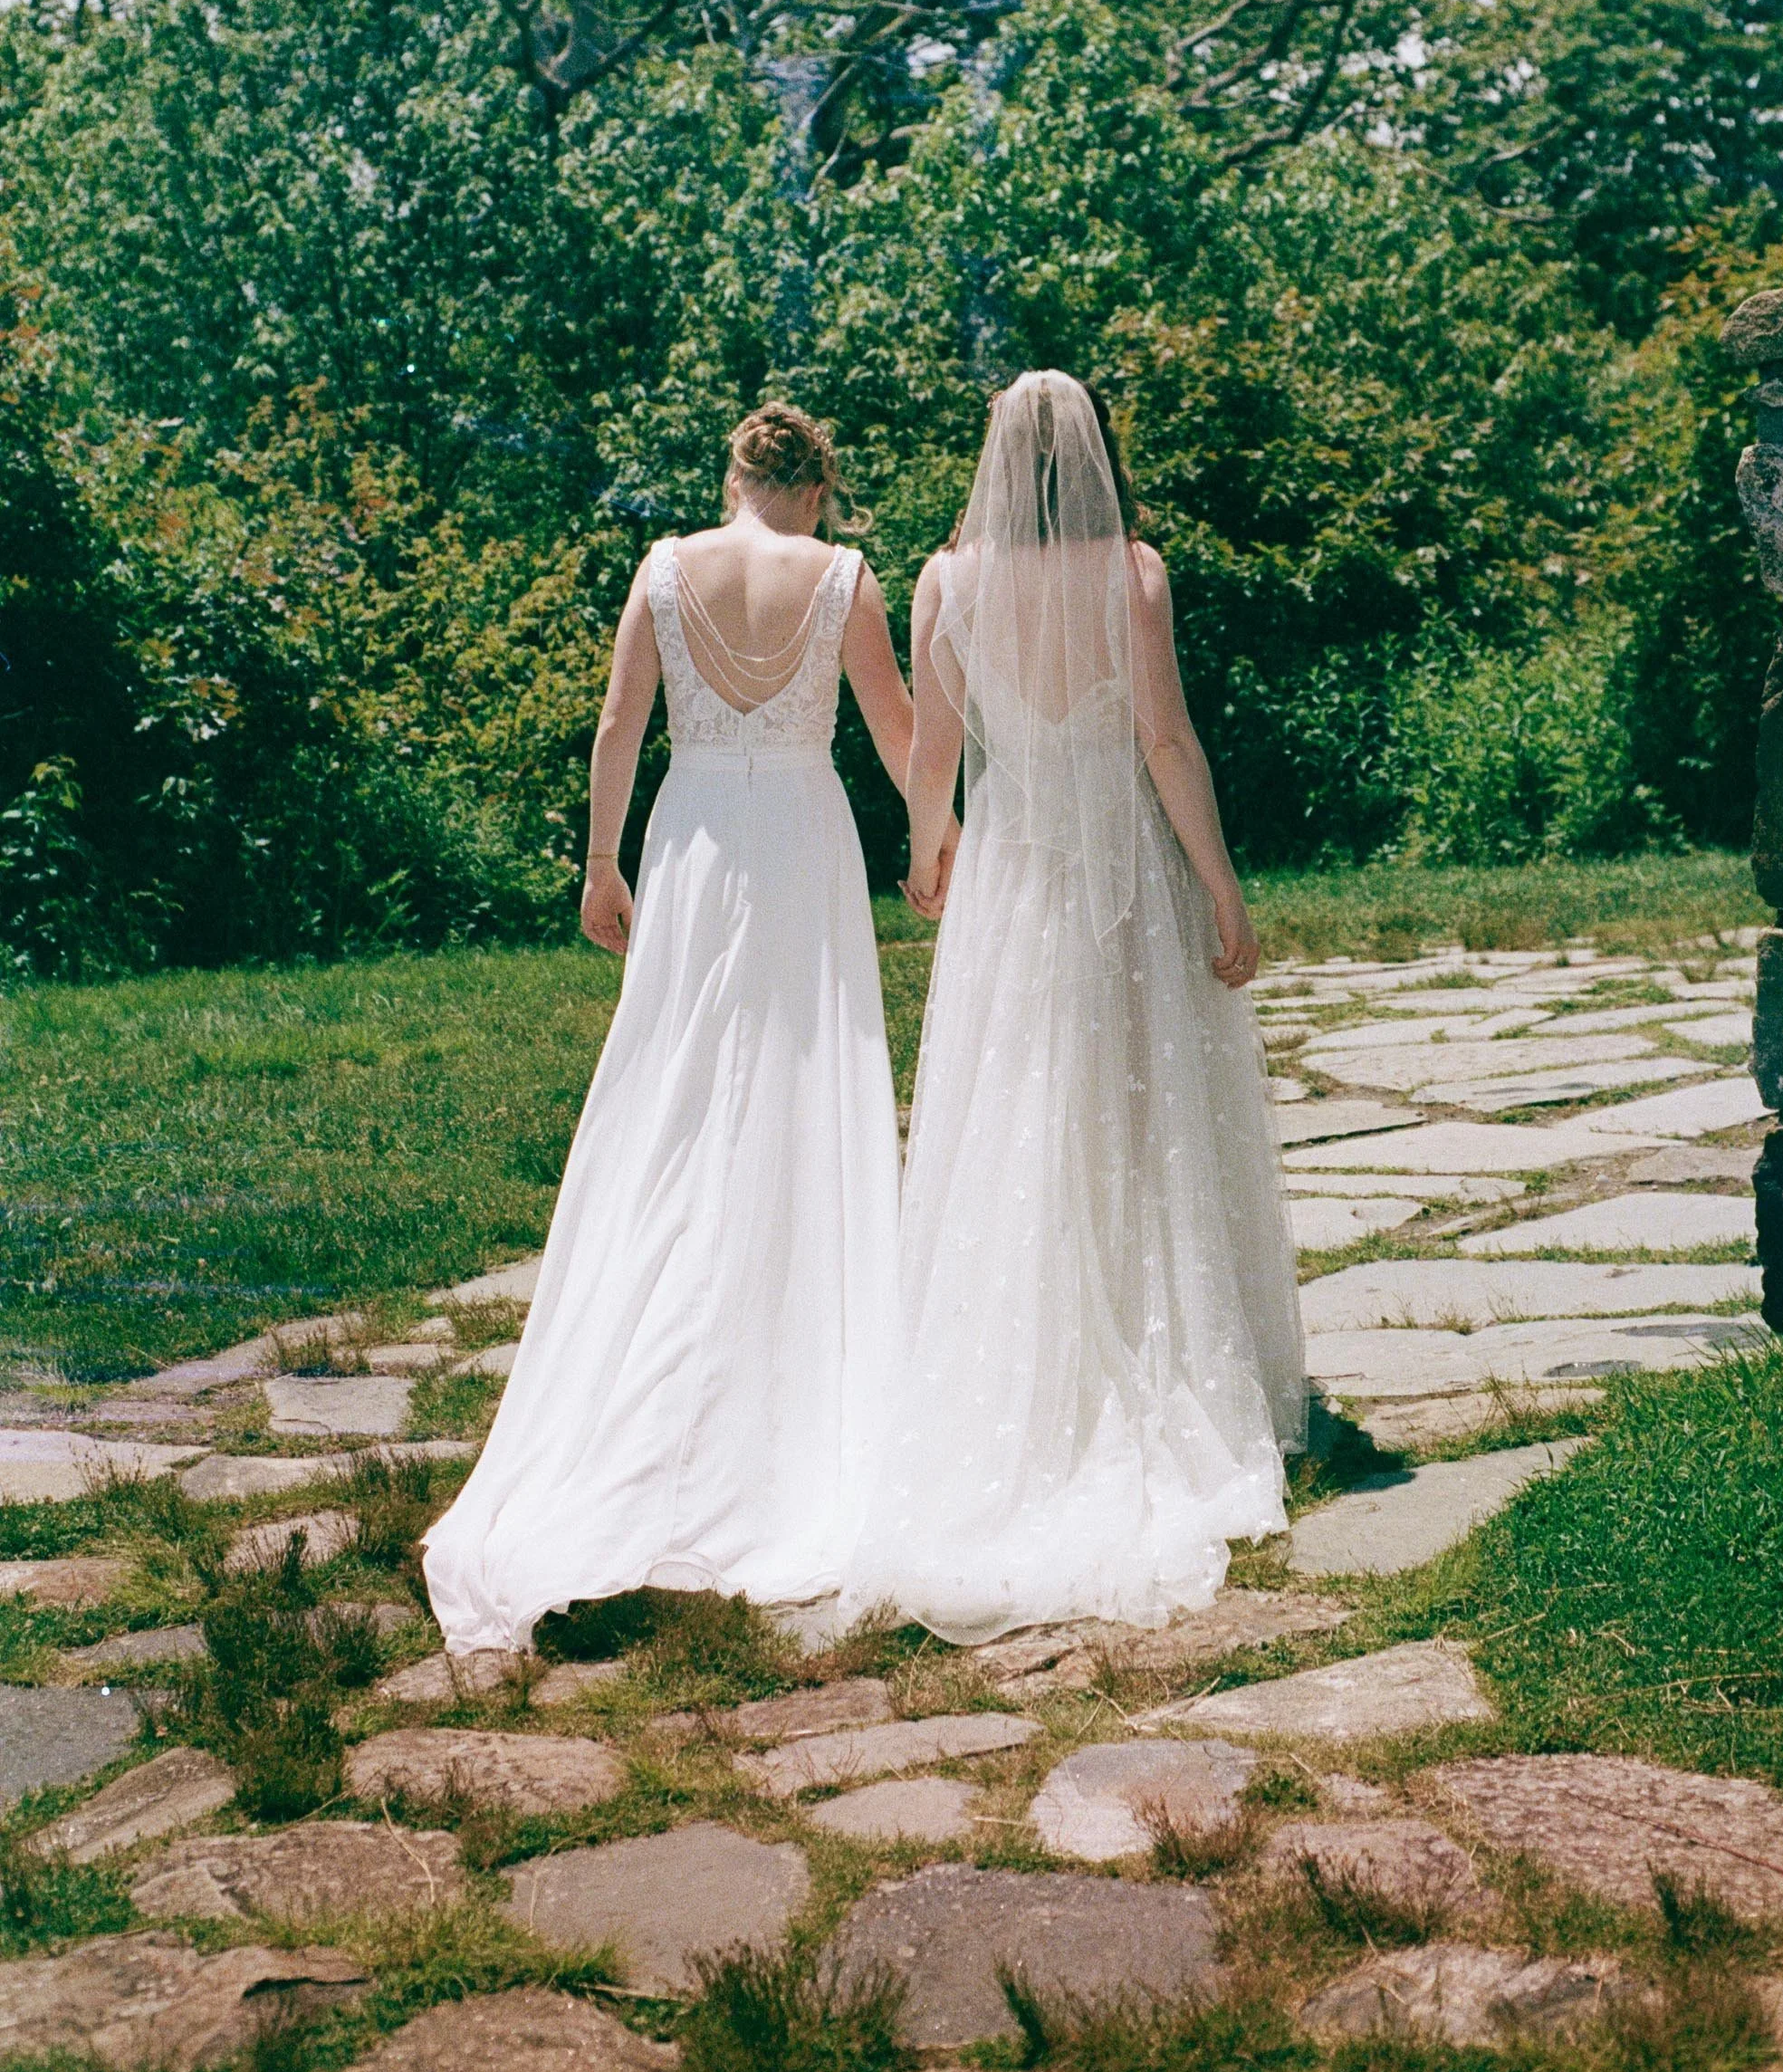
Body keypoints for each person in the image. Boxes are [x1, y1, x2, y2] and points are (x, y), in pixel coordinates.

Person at [425, 402, 933, 1652]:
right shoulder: (847, 578)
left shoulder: (663, 569)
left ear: (731, 477)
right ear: (818, 486)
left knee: (678, 1089)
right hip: (804, 837)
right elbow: (898, 731)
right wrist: (939, 837)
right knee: (807, 1082)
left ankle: (665, 1330)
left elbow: (615, 725)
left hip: (695, 837)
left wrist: (600, 860)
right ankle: (793, 1356)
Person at [839, 369, 1305, 1644]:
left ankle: (1014, 1377)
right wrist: (1222, 889)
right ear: (1093, 449)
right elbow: (1166, 743)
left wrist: (926, 849)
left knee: (1015, 1112)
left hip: (1012, 878)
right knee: (1141, 1115)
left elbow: (934, 749)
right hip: (1122, 883)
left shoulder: (946, 581)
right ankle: (1153, 1364)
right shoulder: (1133, 574)